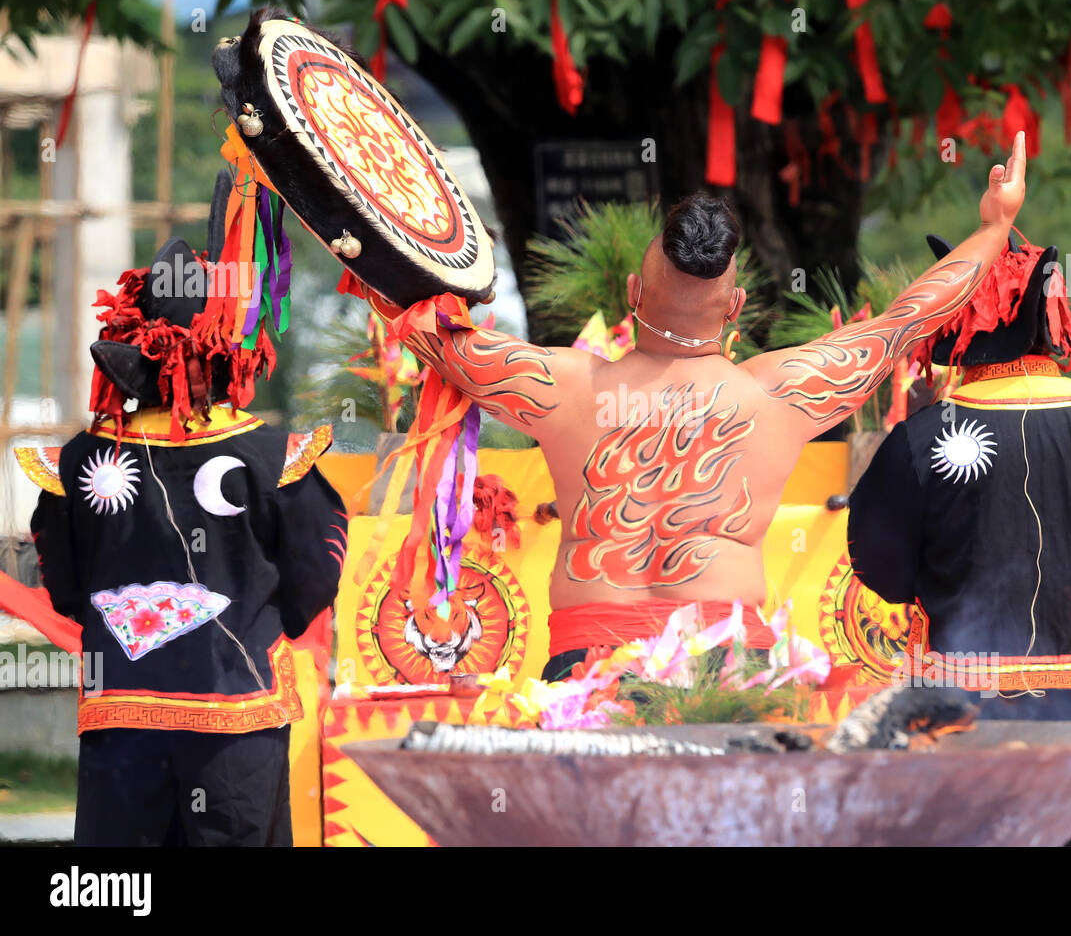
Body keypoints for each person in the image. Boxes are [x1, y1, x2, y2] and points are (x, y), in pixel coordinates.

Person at [361, 135, 1028, 681]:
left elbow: (425, 329)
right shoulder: (782, 393)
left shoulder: (561, 385)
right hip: (730, 676)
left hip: (589, 673)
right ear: (735, 309)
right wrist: (993, 228)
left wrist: (348, 201)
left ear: (630, 293)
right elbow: (906, 321)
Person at [17, 192, 346, 846]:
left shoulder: (81, 459)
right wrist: (262, 620)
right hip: (238, 721)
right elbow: (315, 578)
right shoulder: (273, 457)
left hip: (122, 721)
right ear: (230, 349)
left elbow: (63, 585)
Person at [845, 229, 1071, 846]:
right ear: (1051, 315)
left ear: (963, 318)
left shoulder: (924, 436)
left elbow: (877, 563)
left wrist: (942, 583)